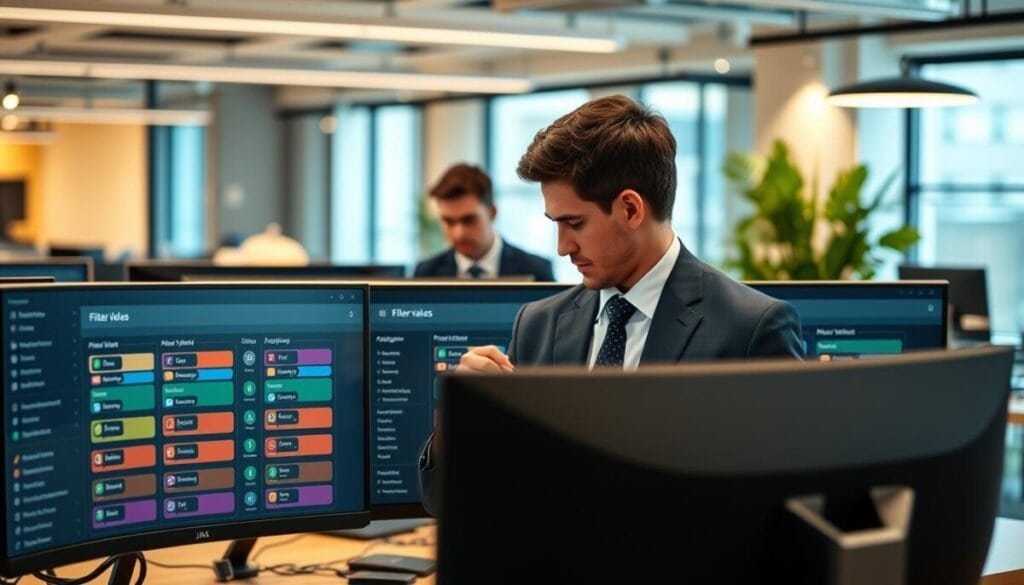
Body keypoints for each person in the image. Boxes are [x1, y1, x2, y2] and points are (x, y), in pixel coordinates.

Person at [418, 95, 804, 515]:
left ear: (631, 209)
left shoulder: (749, 329)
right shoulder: (539, 325)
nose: (562, 247)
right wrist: (457, 425)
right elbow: (451, 504)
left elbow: (789, 515)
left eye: (574, 223)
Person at [414, 163, 555, 281]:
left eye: (469, 220)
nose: (459, 233)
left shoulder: (535, 271)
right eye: (449, 221)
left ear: (492, 212)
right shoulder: (426, 273)